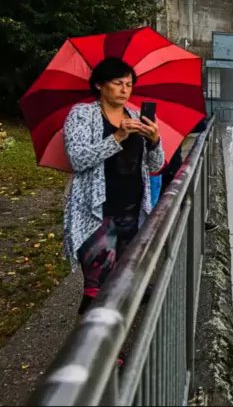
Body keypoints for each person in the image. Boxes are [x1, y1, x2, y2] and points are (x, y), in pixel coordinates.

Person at [62, 57, 164, 315]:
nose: (124, 89)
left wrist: (154, 140)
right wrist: (118, 136)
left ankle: (109, 339)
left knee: (121, 282)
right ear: (99, 84)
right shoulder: (82, 115)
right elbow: (78, 158)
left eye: (129, 84)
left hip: (131, 212)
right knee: (98, 287)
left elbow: (154, 165)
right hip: (97, 215)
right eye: (118, 83)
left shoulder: (134, 116)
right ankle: (92, 350)